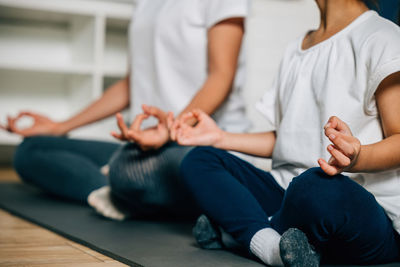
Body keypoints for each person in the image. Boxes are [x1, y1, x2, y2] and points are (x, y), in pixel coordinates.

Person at [173, 0, 400, 265]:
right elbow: (287, 140)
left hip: (356, 207)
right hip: (286, 193)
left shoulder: (383, 37)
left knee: (315, 187)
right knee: (199, 160)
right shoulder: (296, 48)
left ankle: (242, 231)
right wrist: (219, 138)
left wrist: (358, 156)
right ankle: (270, 246)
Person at [1, 0, 251, 220]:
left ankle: (128, 187)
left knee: (141, 169)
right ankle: (122, 193)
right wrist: (60, 126)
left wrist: (171, 129)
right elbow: (132, 83)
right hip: (145, 149)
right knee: (31, 149)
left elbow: (221, 76)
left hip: (196, 146)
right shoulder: (145, 2)